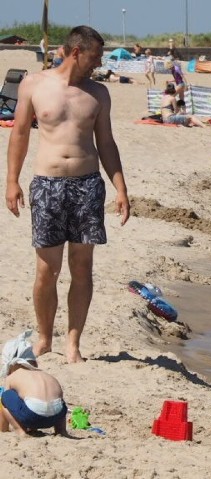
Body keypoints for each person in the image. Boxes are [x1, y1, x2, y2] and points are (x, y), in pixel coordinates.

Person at [5, 26, 130, 363]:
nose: (98, 64)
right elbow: (19, 134)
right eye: (96, 56)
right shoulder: (34, 84)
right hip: (47, 184)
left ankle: (73, 343)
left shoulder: (99, 93)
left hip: (87, 185)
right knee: (47, 269)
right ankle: (45, 338)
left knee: (82, 266)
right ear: (77, 52)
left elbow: (106, 143)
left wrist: (120, 187)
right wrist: (12, 181)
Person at [1, 352, 68, 437]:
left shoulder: (12, 376)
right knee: (57, 400)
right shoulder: (46, 375)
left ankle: (20, 431)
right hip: (56, 417)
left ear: (10, 367)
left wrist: (3, 429)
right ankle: (61, 430)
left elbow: (5, 403)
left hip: (32, 417)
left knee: (6, 396)